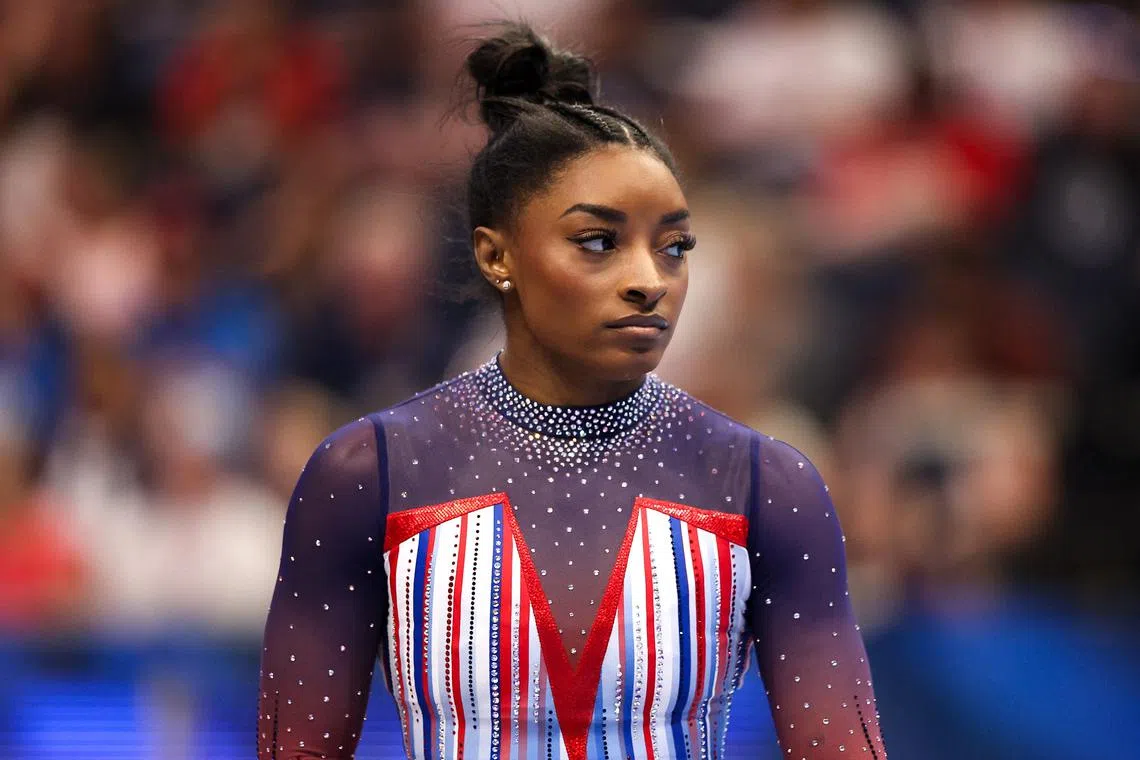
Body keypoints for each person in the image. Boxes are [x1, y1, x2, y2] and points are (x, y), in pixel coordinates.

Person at [257, 24, 889, 760]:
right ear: (498, 254)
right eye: (598, 242)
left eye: (674, 246)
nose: (649, 280)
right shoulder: (370, 474)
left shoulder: (764, 485)